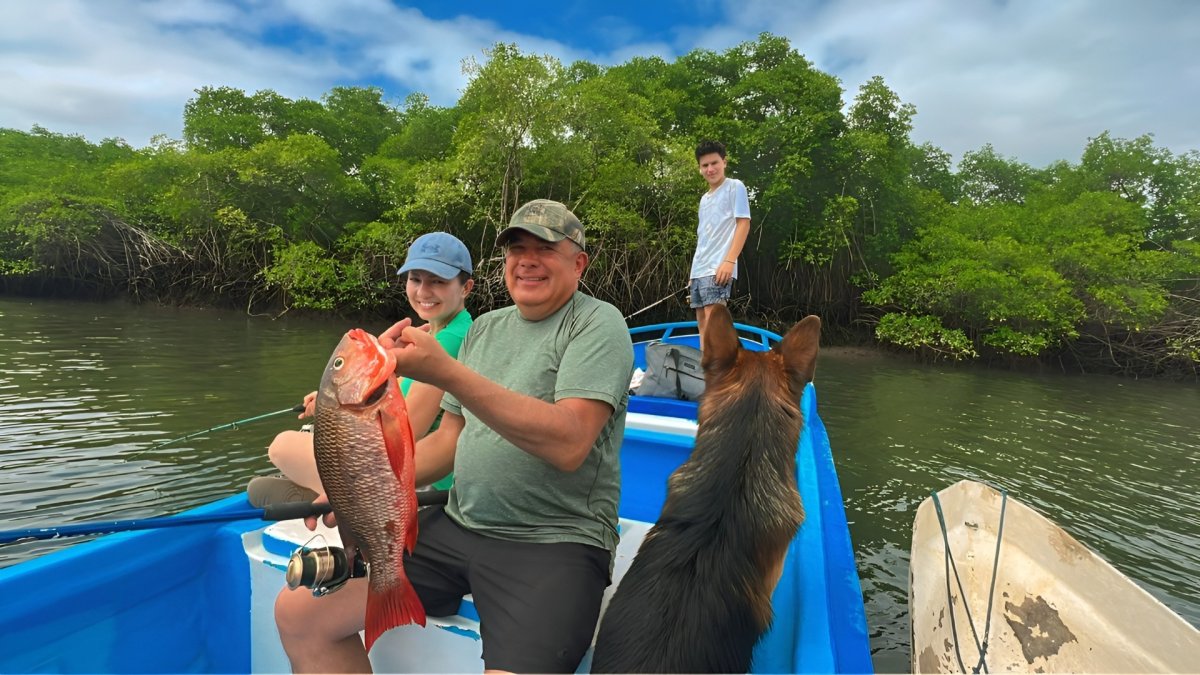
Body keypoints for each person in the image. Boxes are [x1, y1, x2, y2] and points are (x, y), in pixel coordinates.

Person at [274, 199, 634, 673]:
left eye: (545, 249)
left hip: (554, 542)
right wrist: (357, 490)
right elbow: (447, 444)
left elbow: (570, 443)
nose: (527, 260)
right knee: (299, 614)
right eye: (516, 249)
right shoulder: (484, 329)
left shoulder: (596, 323)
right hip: (459, 524)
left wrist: (447, 372)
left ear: (578, 262)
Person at [247, 232, 475, 507]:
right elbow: (392, 397)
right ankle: (326, 493)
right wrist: (332, 402)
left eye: (438, 281)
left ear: (466, 287)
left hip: (426, 480)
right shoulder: (436, 332)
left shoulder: (450, 341)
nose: (423, 291)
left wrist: (338, 413)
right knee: (265, 481)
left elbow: (405, 432)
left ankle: (332, 499)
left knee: (282, 446)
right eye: (415, 279)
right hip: (401, 466)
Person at [690, 139, 751, 351]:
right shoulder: (704, 199)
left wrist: (729, 260)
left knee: (715, 323)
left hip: (719, 267)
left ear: (724, 162)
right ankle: (707, 373)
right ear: (700, 169)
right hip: (700, 270)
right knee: (703, 324)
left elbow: (743, 223)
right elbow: (703, 237)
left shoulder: (735, 187)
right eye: (705, 165)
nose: (710, 169)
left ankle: (721, 375)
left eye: (714, 163)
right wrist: (693, 274)